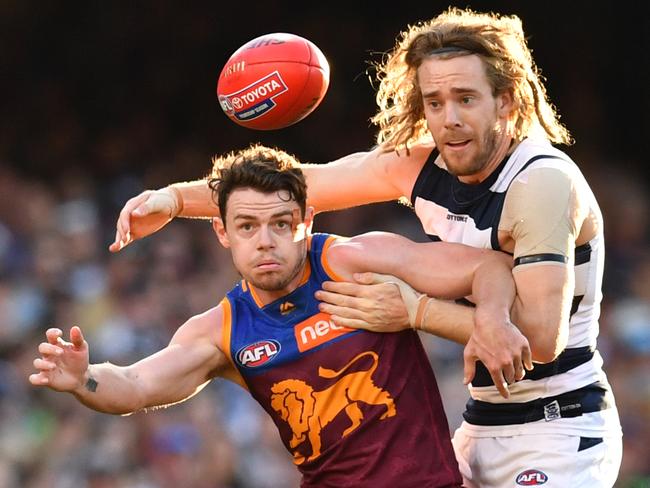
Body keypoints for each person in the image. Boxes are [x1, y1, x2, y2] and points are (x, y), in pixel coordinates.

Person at [108, 8, 622, 487]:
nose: (450, 119)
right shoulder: (420, 167)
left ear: (505, 101)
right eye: (435, 103)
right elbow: (295, 187)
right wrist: (174, 199)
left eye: (466, 99)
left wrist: (416, 311)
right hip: (479, 425)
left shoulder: (543, 183)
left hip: (560, 424)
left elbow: (538, 340)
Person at [32, 144, 525, 487]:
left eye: (280, 223)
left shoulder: (354, 261)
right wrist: (85, 379)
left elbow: (489, 268)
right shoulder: (223, 331)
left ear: (306, 221)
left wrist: (494, 321)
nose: (265, 240)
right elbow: (136, 386)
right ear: (223, 233)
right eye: (246, 226)